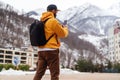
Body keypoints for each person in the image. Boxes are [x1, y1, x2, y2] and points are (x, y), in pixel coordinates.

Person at [33, 4, 68, 80]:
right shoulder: (53, 21)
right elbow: (63, 34)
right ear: (53, 11)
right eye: (56, 11)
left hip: (41, 51)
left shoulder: (41, 20)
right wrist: (65, 28)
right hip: (51, 51)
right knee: (54, 74)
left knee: (39, 73)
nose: (56, 13)